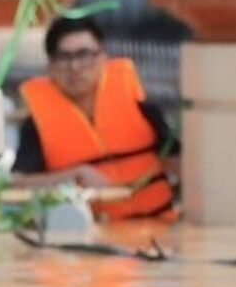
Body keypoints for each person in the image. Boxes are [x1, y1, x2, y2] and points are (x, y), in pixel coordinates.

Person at [10, 16, 178, 221]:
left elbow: (183, 164)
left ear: (102, 59)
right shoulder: (36, 125)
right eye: (64, 58)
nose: (75, 67)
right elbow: (18, 184)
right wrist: (75, 175)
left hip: (161, 231)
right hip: (96, 240)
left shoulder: (143, 109)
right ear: (50, 66)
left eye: (84, 55)